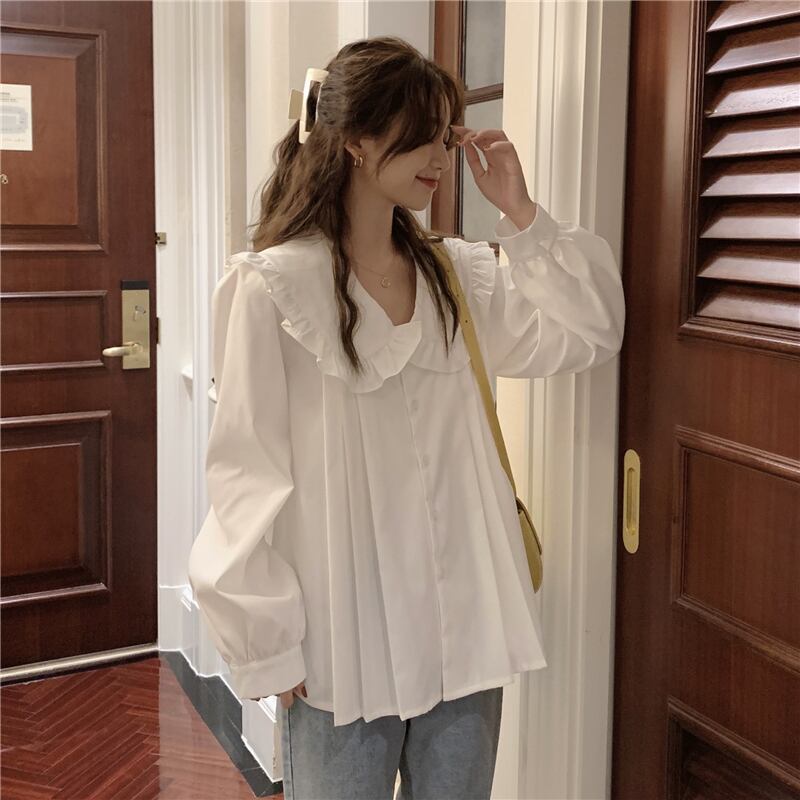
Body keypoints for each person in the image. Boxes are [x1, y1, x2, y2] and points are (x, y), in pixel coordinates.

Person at [188, 35, 625, 800]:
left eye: (444, 135)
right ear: (356, 141)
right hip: (342, 647)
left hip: (465, 633)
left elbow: (590, 332)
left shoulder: (457, 277)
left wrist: (522, 213)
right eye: (420, 135)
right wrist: (267, 641)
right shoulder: (274, 290)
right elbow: (245, 473)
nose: (440, 156)